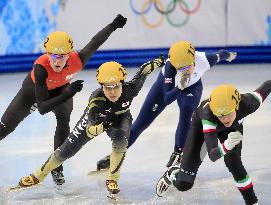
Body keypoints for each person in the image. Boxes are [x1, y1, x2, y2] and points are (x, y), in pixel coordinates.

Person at [0, 14, 127, 185]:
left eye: (62, 56)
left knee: (64, 120)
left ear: (69, 54)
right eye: (53, 55)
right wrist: (70, 93)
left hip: (60, 90)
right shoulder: (40, 68)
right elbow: (42, 109)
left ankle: (56, 167)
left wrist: (113, 25)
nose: (57, 60)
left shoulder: (78, 59)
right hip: (32, 94)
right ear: (47, 53)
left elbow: (95, 42)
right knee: (4, 129)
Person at [11, 55, 165, 194]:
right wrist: (103, 124)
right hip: (98, 120)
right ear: (101, 86)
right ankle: (38, 176)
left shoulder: (131, 89)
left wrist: (156, 62)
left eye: (116, 86)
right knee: (65, 151)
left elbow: (143, 72)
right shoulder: (96, 99)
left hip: (121, 117)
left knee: (121, 142)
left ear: (123, 84)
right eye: (107, 87)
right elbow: (90, 130)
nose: (112, 92)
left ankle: (112, 178)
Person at [96, 41, 237, 170]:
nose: (184, 71)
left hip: (192, 87)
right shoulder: (170, 68)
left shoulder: (206, 59)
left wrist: (230, 55)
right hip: (166, 90)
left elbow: (222, 54)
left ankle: (178, 153)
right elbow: (167, 98)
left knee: (187, 111)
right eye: (179, 68)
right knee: (140, 124)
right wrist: (179, 86)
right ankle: (116, 155)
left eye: (187, 66)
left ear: (194, 59)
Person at [155, 82, 271, 205]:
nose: (225, 119)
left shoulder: (250, 103)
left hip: (232, 130)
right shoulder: (208, 116)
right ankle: (172, 172)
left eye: (227, 114)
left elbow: (268, 84)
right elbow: (213, 155)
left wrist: (228, 145)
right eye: (220, 116)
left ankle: (252, 203)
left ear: (237, 106)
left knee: (234, 163)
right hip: (200, 130)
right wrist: (227, 145)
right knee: (184, 184)